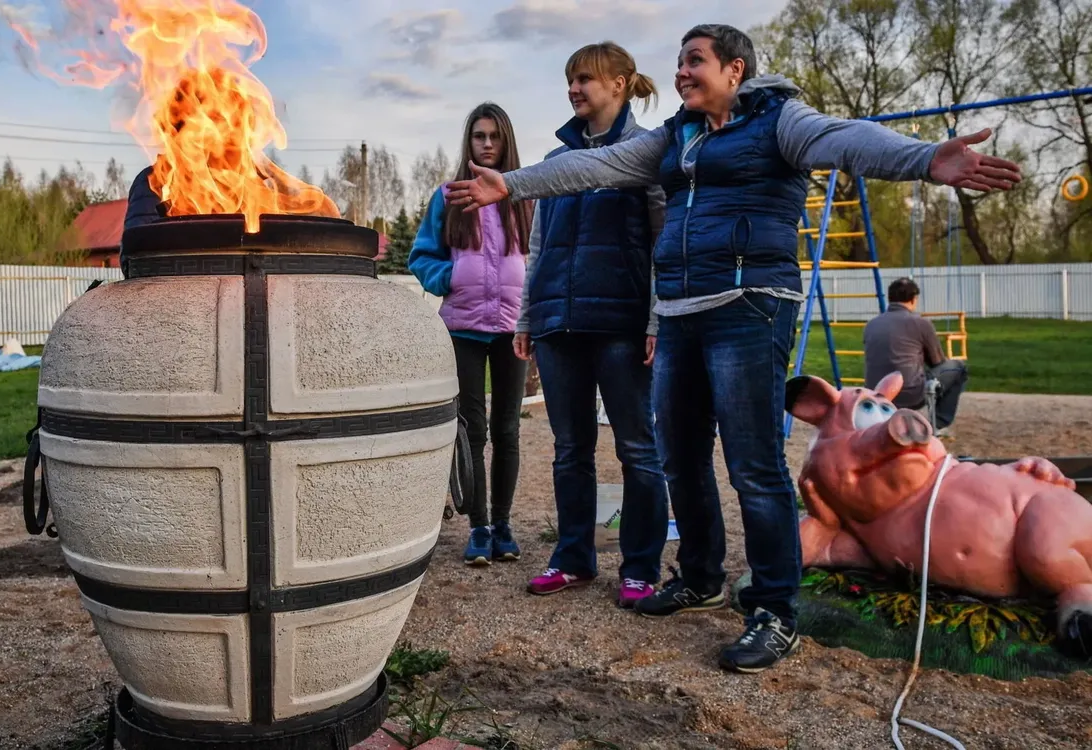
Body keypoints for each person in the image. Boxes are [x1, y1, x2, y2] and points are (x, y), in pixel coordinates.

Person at [444, 24, 1021, 673]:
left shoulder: (778, 121)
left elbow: (849, 139)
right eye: (681, 61)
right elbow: (595, 165)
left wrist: (924, 158)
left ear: (736, 70)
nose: (683, 73)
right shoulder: (675, 137)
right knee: (682, 458)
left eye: (696, 61)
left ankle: (774, 609)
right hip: (684, 311)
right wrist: (513, 185)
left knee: (753, 463)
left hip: (749, 306)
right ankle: (700, 577)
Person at [515, 42, 670, 610]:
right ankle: (573, 557)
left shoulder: (645, 157)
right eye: (570, 80)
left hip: (622, 326)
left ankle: (640, 566)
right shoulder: (556, 164)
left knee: (637, 449)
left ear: (621, 84)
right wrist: (529, 316)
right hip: (558, 325)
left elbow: (662, 244)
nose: (575, 89)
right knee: (569, 449)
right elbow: (538, 248)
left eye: (585, 79)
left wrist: (655, 318)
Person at [408, 102, 534, 567]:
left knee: (508, 429)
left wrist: (532, 312)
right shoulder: (449, 195)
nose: (486, 144)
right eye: (479, 136)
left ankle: (503, 525)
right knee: (473, 430)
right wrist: (452, 277)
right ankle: (478, 528)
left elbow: (538, 258)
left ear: (506, 142)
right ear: (469, 141)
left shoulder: (524, 196)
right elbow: (420, 257)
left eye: (494, 136)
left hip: (511, 328)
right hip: (462, 328)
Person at [863, 277, 968, 433]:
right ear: (913, 299)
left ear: (890, 298)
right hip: (910, 395)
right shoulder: (921, 323)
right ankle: (937, 423)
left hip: (877, 393)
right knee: (958, 368)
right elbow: (937, 361)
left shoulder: (871, 324)